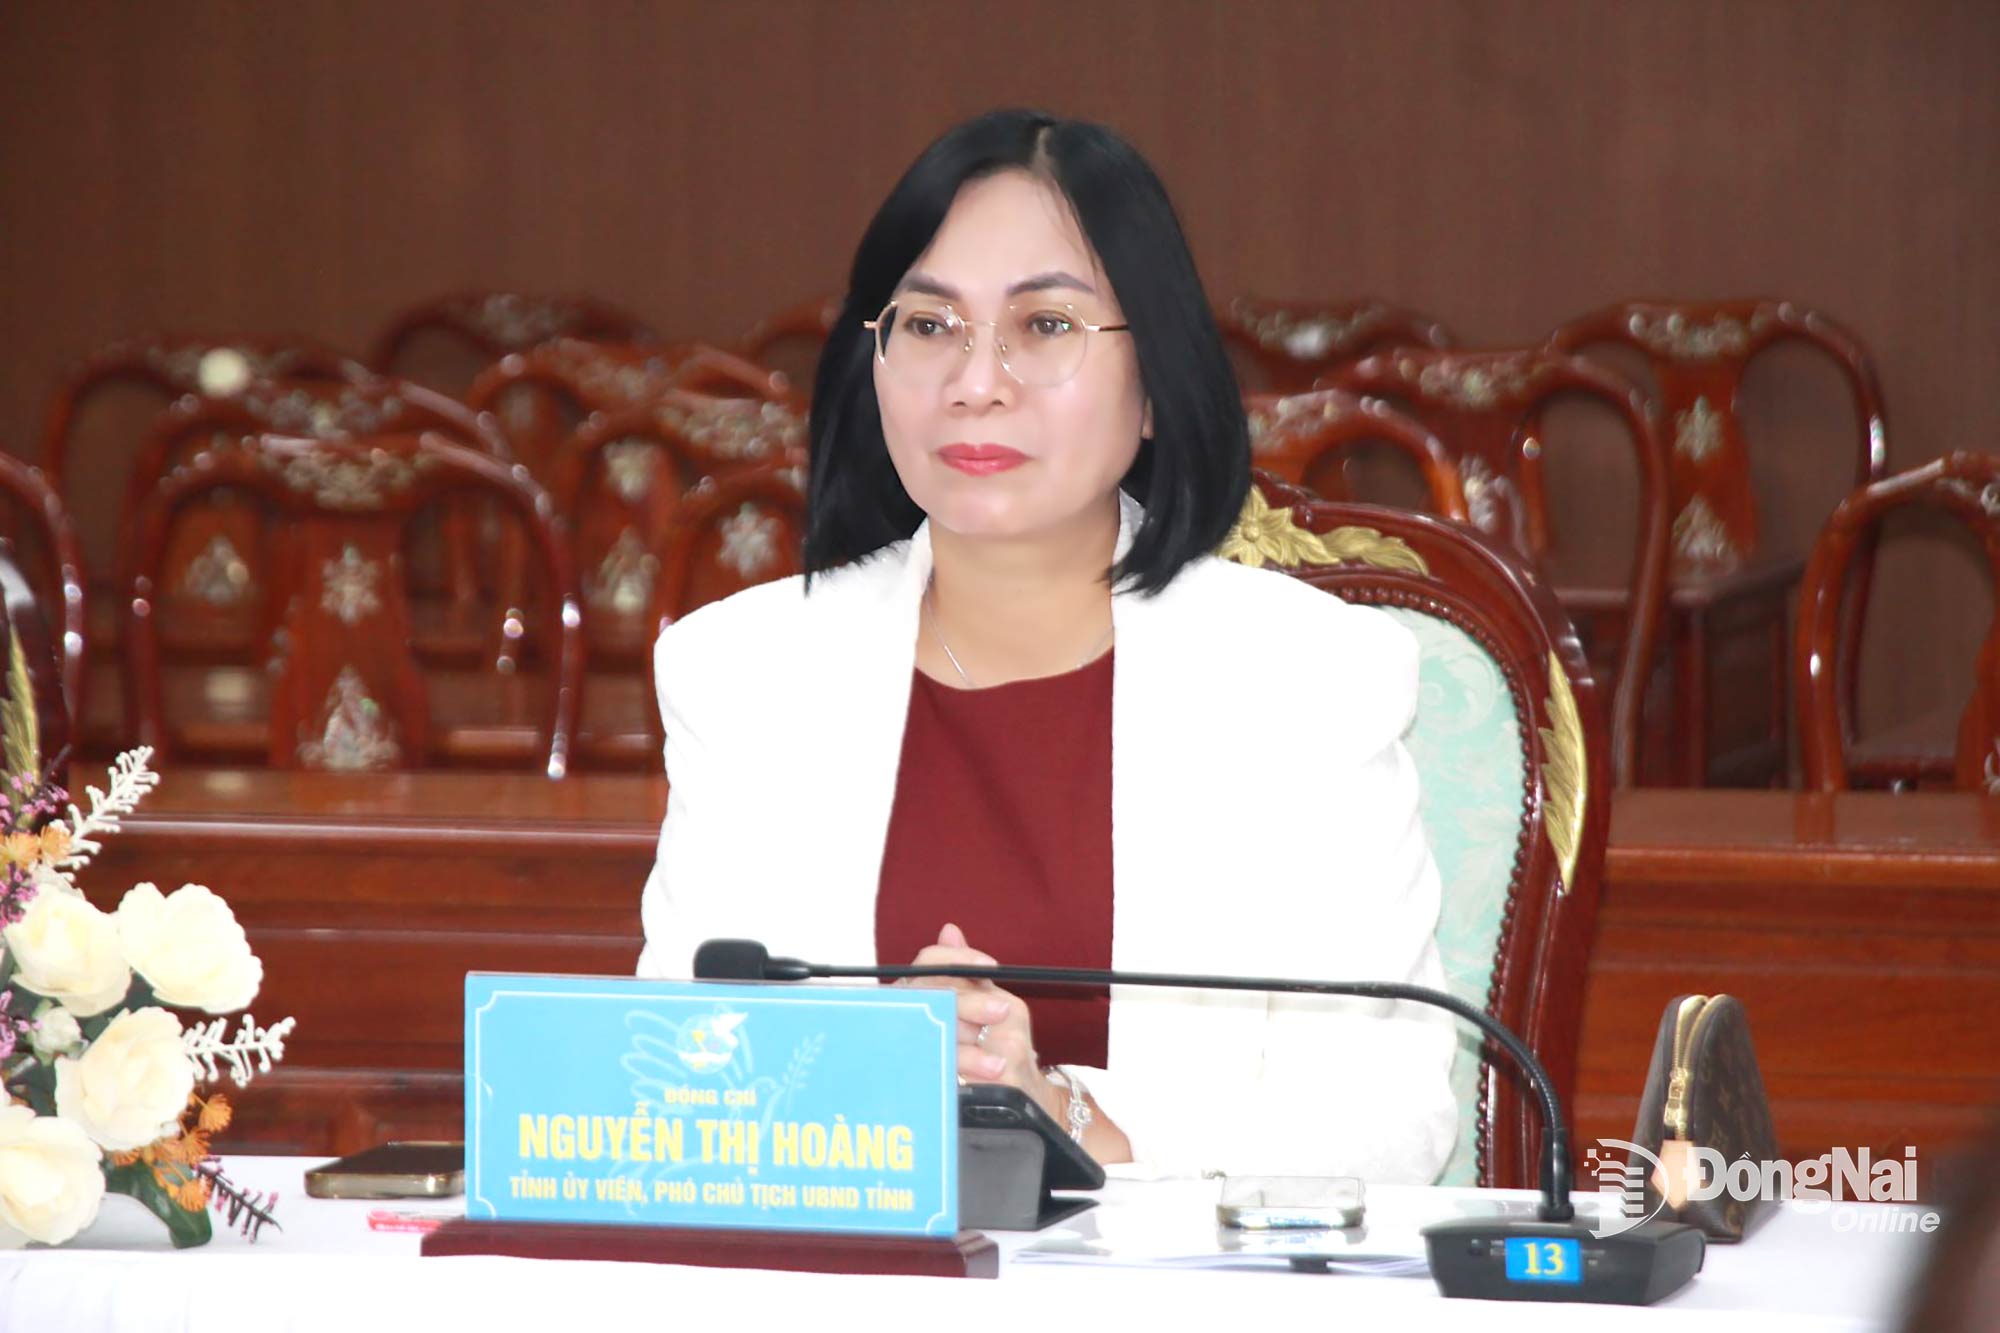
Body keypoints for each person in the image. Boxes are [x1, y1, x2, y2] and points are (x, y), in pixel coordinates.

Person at [638, 108, 1457, 1183]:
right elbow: (669, 1080)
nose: (976, 381)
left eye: (1045, 326)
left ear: (1157, 381)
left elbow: (1388, 1122)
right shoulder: (746, 676)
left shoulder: (1304, 680)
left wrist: (1064, 1116)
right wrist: (877, 1083)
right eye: (927, 326)